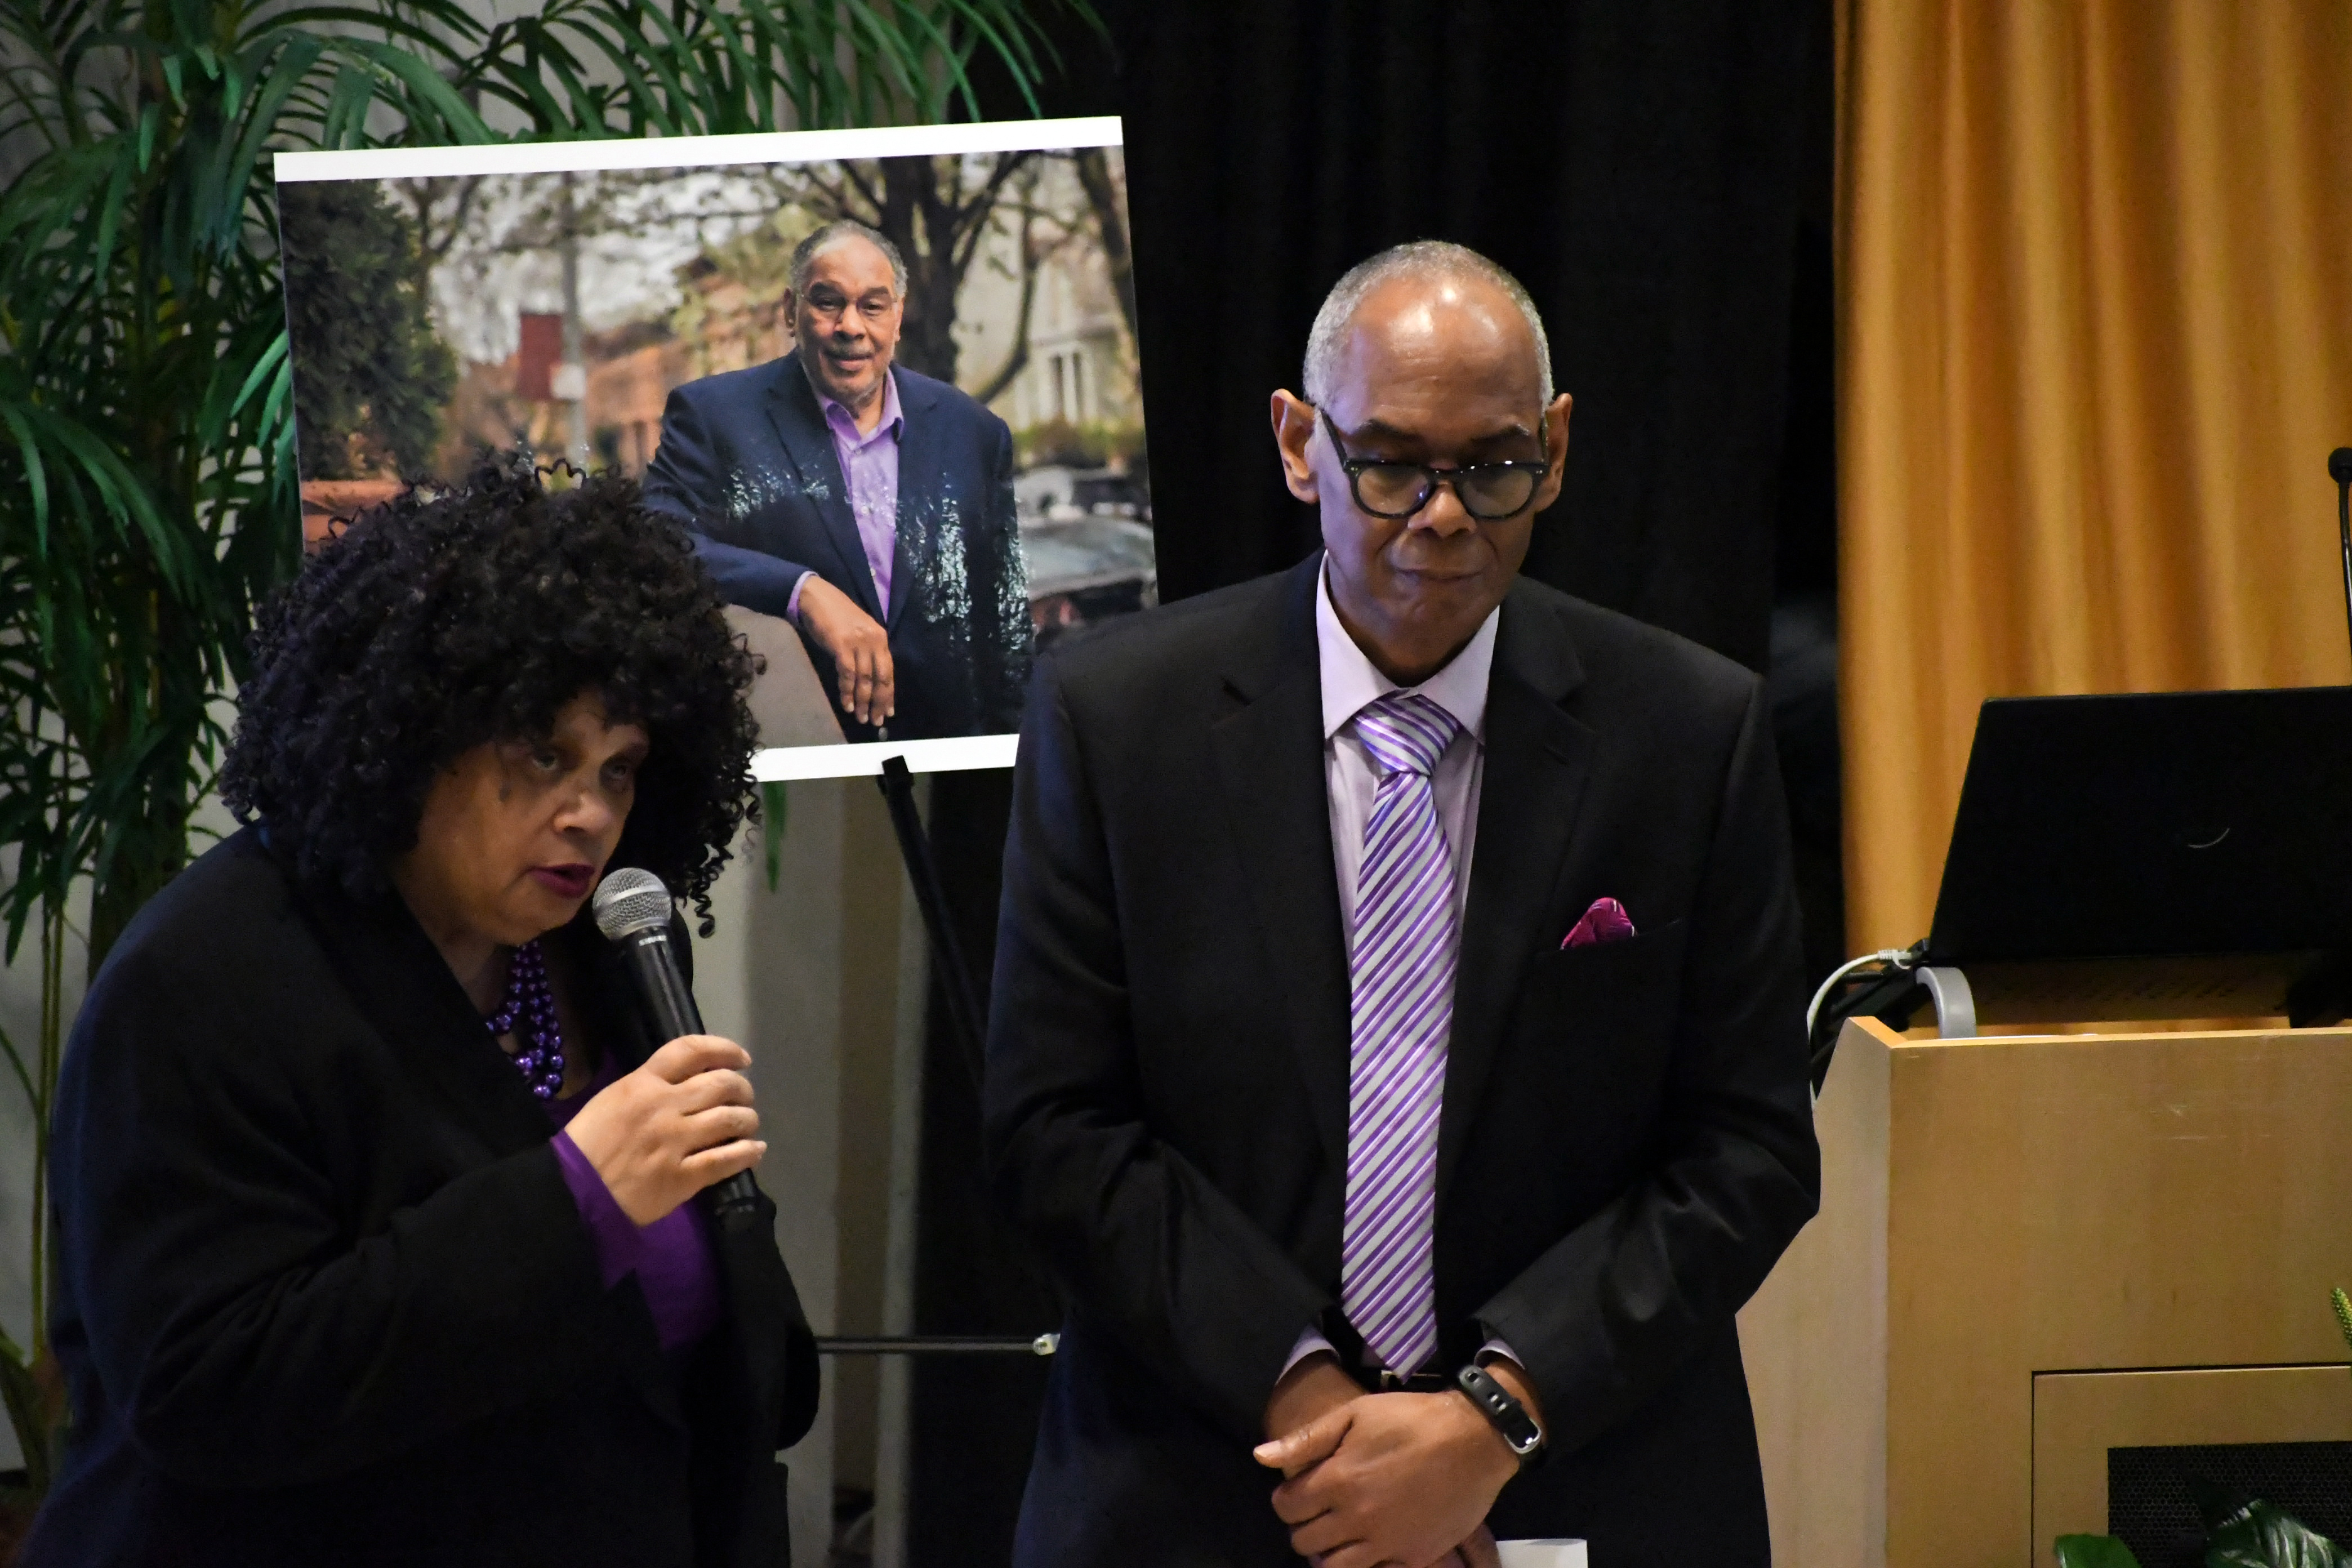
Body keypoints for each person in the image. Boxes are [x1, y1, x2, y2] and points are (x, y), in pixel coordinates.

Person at [983, 242, 1820, 1567]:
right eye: (1387, 464)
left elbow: (1750, 1148)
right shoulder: (1115, 718)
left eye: (1490, 468)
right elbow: (1053, 1125)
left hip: (1576, 1478)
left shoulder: (1686, 730)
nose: (1441, 517)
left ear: (1553, 446)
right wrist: (1320, 1408)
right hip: (1206, 1476)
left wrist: (1490, 1416)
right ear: (1298, 442)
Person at [23, 465, 821, 1568]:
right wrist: (575, 1199)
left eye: (623, 768)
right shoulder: (204, 978)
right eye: (544, 755)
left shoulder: (614, 945)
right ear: (413, 724)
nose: (590, 814)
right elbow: (209, 1391)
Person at [643, 217, 1031, 745]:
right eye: (828, 302)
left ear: (897, 318)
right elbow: (657, 541)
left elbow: (1003, 625)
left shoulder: (975, 433)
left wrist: (1007, 758)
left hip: (948, 767)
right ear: (790, 312)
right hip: (796, 754)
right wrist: (802, 591)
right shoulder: (715, 417)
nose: (851, 326)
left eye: (872, 305)